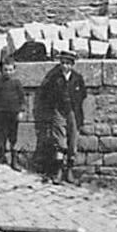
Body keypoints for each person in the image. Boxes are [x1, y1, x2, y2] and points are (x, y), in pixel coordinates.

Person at [41, 49, 87, 184]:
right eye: (62, 62)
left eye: (67, 63)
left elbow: (83, 94)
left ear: (72, 65)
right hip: (59, 111)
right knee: (59, 140)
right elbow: (46, 94)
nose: (64, 66)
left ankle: (70, 170)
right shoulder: (55, 78)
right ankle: (59, 170)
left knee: (73, 141)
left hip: (73, 111)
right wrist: (54, 105)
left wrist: (73, 102)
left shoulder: (77, 78)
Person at [0, 56, 26, 171]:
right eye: (6, 70)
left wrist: (21, 111)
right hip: (0, 113)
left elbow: (22, 98)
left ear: (14, 70)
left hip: (13, 114)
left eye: (10, 70)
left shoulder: (16, 83)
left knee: (13, 137)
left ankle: (14, 161)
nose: (8, 72)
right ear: (1, 70)